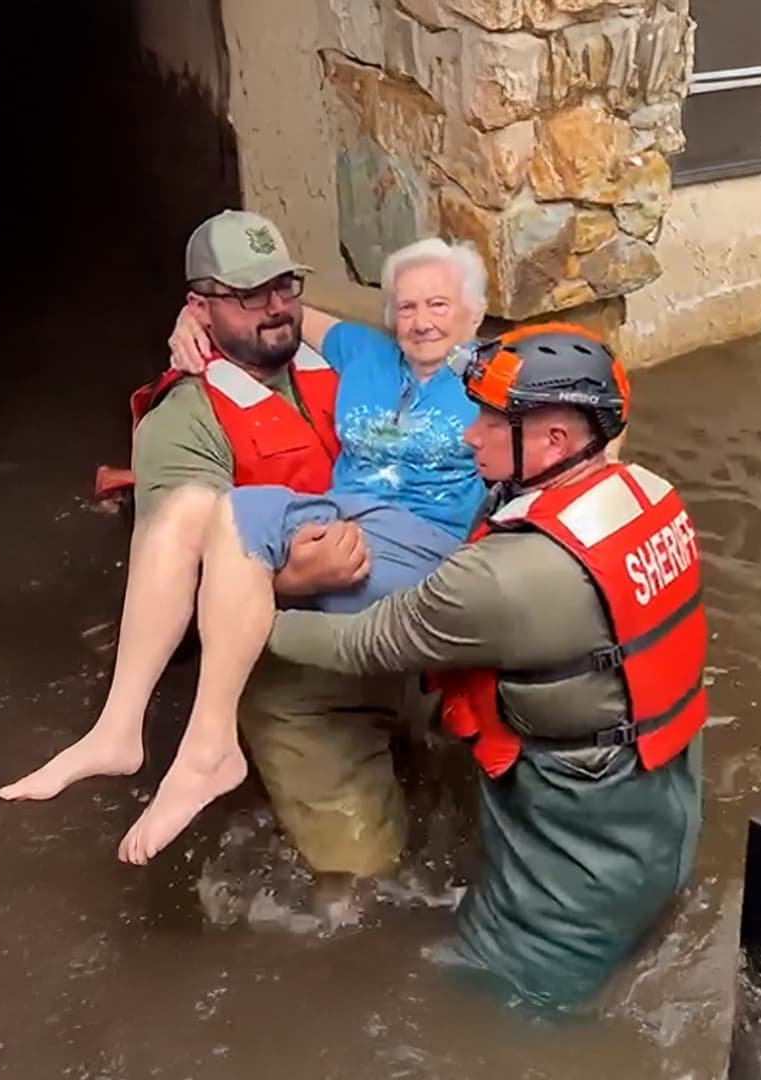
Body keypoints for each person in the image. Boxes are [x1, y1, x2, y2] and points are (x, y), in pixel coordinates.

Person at [4, 232, 490, 867]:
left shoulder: (374, 358)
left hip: (414, 595)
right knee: (359, 878)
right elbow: (181, 570)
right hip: (305, 646)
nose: (272, 307)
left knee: (464, 783)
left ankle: (186, 745)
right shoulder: (189, 414)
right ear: (201, 308)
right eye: (244, 295)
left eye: (283, 287)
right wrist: (292, 577)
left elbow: (569, 432)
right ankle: (143, 735)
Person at [266, 323, 707, 1008]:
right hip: (656, 824)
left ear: (556, 440)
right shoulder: (652, 494)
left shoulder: (503, 578)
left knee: (464, 1008)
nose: (468, 436)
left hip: (570, 889)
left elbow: (363, 645)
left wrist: (252, 620)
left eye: (492, 421)